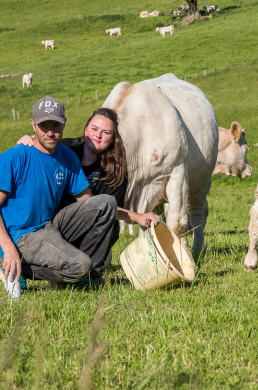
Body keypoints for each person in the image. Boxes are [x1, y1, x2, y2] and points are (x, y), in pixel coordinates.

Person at [0, 97, 128, 300]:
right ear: (33, 125)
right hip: (21, 236)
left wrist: (134, 216)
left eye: (55, 125)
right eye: (44, 125)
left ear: (64, 124)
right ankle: (18, 270)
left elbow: (87, 201)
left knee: (106, 203)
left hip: (50, 226)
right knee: (80, 265)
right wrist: (9, 250)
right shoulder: (13, 158)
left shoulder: (67, 156)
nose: (50, 132)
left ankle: (88, 277)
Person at [15, 107, 160, 273]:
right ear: (85, 130)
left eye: (106, 132)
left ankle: (90, 271)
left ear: (113, 139)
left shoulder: (116, 170)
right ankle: (71, 268)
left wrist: (138, 217)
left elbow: (110, 209)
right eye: (94, 129)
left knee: (111, 224)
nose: (98, 135)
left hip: (87, 229)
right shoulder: (66, 148)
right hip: (52, 224)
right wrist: (28, 141)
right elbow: (41, 146)